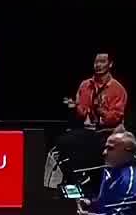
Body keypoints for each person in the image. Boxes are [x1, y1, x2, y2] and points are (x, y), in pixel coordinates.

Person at [48, 52, 129, 185]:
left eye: (102, 61)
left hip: (108, 132)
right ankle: (76, 177)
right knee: (62, 141)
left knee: (87, 145)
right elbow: (82, 113)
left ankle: (88, 176)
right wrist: (74, 106)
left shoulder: (118, 89)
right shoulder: (85, 85)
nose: (98, 65)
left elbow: (115, 118)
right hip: (87, 130)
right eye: (96, 62)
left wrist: (100, 111)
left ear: (110, 64)